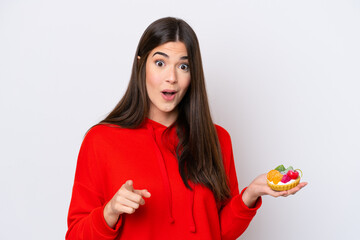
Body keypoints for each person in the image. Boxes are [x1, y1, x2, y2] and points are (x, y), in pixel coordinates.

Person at [66, 17, 307, 240]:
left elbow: (218, 232)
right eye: (160, 63)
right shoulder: (101, 140)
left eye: (183, 67)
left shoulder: (216, 139)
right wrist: (109, 212)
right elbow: (75, 235)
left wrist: (250, 195)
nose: (171, 77)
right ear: (141, 66)